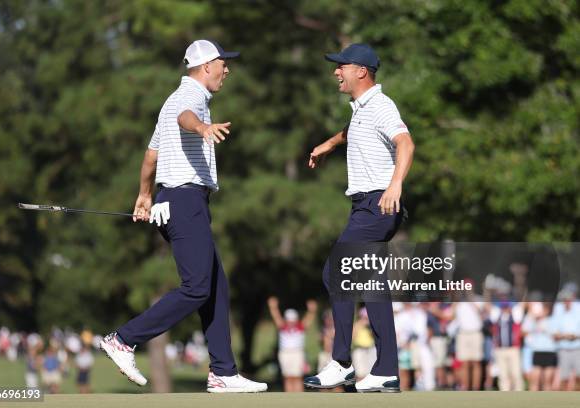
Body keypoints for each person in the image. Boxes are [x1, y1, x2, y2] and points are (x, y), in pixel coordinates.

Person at [99, 39, 266, 393]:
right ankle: (123, 340)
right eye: (223, 63)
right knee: (197, 288)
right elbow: (185, 118)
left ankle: (223, 372)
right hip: (184, 200)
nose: (227, 69)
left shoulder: (175, 97)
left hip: (176, 200)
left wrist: (144, 196)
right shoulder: (190, 98)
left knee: (215, 286)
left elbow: (150, 156)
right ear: (206, 67)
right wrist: (203, 129)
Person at [304, 43, 415, 393]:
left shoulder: (381, 105)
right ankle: (387, 370)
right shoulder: (362, 110)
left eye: (342, 67)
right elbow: (355, 132)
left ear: (361, 72)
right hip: (366, 207)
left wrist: (395, 184)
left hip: (377, 206)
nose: (336, 72)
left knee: (336, 272)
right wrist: (329, 144)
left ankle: (341, 363)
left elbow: (406, 144)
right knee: (371, 286)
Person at [267, 297, 317, 392]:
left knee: (297, 377)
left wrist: (312, 310)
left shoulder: (300, 326)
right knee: (287, 377)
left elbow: (309, 319)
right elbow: (276, 316)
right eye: (289, 319)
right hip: (284, 353)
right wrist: (273, 307)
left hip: (297, 353)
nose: (291, 322)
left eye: (292, 319)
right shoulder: (282, 326)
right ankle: (289, 398)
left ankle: (298, 398)